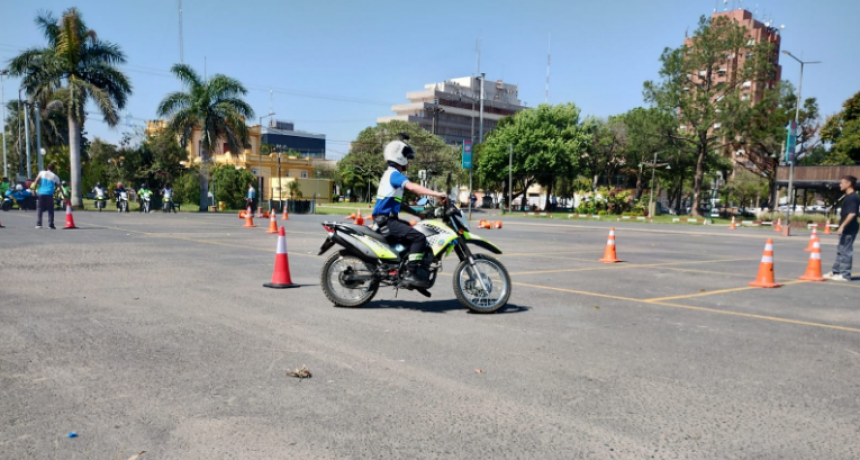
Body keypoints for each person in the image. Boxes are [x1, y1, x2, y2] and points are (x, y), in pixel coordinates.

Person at [372, 138, 447, 289]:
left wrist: (417, 214)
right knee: (419, 237)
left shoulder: (390, 175)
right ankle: (410, 273)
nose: (409, 162)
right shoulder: (394, 174)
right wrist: (437, 194)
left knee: (413, 231)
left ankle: (400, 266)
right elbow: (413, 188)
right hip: (387, 221)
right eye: (407, 158)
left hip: (386, 220)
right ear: (400, 157)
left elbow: (398, 204)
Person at [825, 175, 859, 282]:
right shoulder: (848, 197)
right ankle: (835, 272)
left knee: (846, 252)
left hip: (849, 229)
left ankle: (845, 275)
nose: (840, 185)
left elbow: (852, 214)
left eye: (842, 183)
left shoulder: (853, 197)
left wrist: (842, 226)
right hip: (846, 229)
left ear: (849, 184)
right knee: (841, 251)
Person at [34, 162, 64, 229]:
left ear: (47, 168)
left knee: (39, 208)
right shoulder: (55, 176)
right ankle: (50, 224)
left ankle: (39, 224)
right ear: (53, 169)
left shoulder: (42, 173)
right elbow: (60, 187)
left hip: (40, 193)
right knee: (50, 209)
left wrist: (34, 190)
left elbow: (36, 181)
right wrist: (64, 196)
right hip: (49, 194)